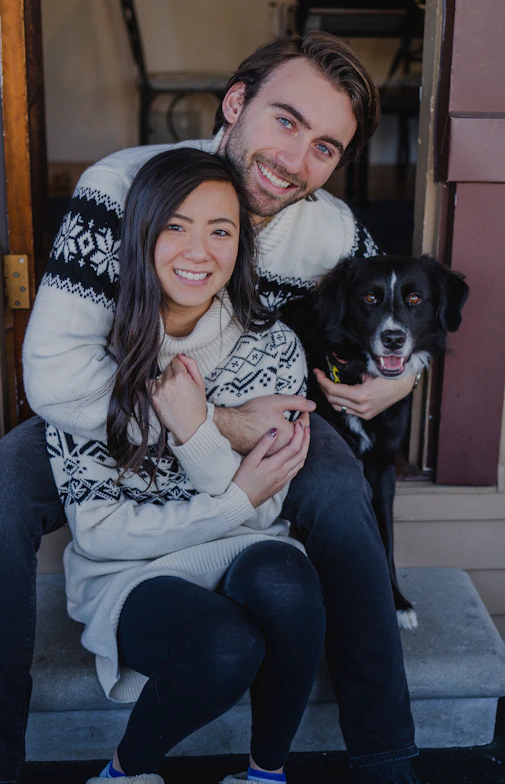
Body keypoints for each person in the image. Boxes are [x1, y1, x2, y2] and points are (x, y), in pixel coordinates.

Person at [1, 31, 420, 784]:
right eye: (285, 122)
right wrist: (211, 423)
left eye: (325, 147)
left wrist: (402, 377)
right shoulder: (121, 189)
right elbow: (58, 381)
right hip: (109, 403)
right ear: (236, 103)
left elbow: (388, 303)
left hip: (251, 403)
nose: (295, 162)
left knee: (335, 489)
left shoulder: (326, 230)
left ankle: (385, 754)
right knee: (2, 487)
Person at [44, 147, 325, 784]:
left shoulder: (272, 347)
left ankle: (264, 775)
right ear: (140, 233)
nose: (198, 251)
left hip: (244, 551)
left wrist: (196, 429)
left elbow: (270, 503)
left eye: (220, 231)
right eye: (175, 225)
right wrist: (231, 496)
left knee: (286, 575)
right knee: (227, 642)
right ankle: (123, 772)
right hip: (127, 574)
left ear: (240, 247)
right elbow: (99, 532)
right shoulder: (90, 364)